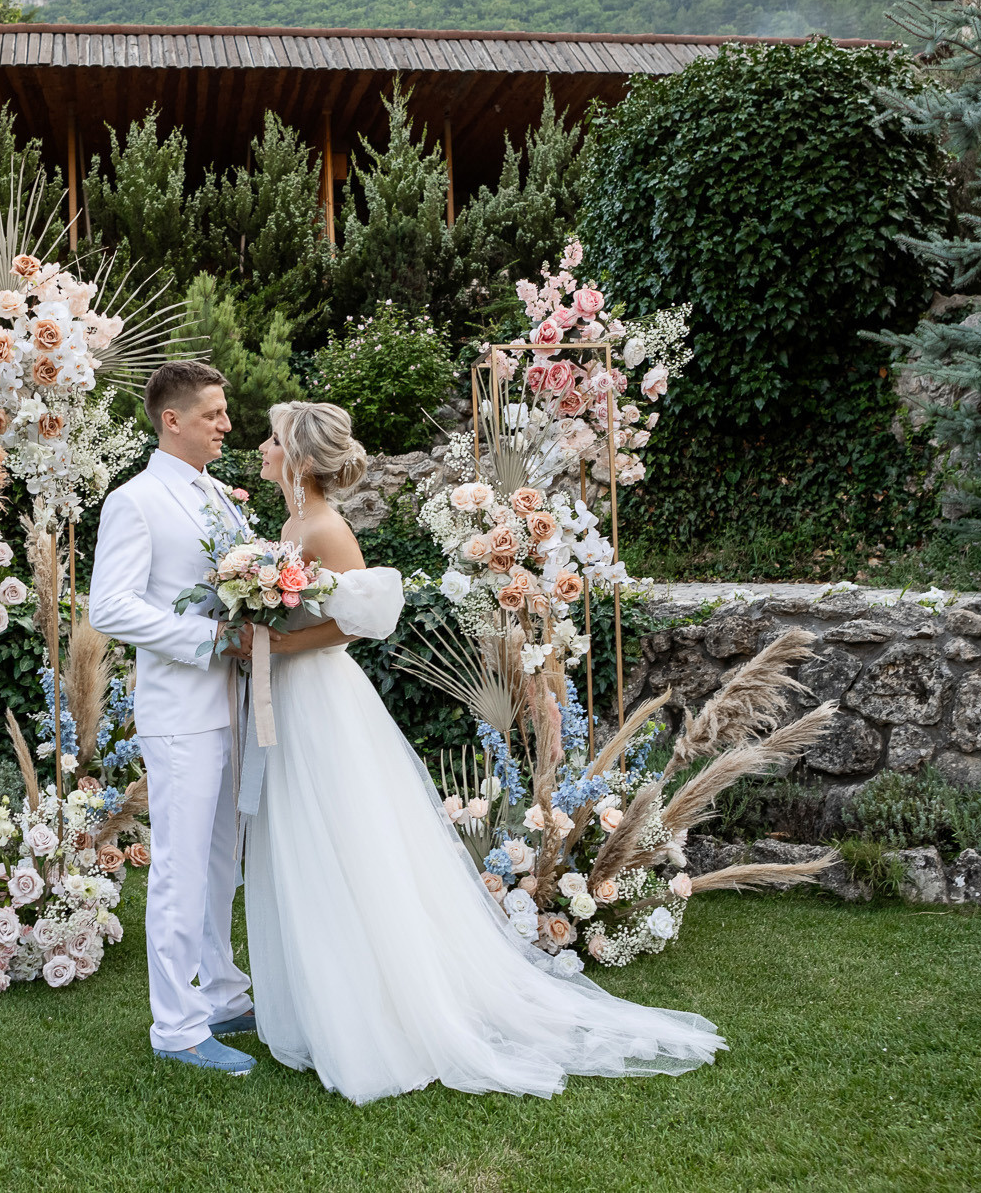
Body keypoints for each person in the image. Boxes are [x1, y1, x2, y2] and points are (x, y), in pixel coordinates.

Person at [241, 400, 726, 1104]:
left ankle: (379, 1011)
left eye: (271, 437)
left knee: (345, 840)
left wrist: (284, 640)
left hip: (322, 697)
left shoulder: (322, 525)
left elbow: (360, 620)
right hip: (293, 694)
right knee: (308, 841)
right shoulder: (291, 523)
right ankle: (325, 998)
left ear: (301, 456)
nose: (261, 446)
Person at [87, 361, 260, 1076]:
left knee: (222, 859)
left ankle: (220, 991)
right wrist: (209, 640)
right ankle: (177, 1024)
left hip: (235, 704)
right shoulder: (135, 501)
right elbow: (111, 606)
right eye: (215, 413)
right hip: (182, 709)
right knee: (181, 866)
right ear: (173, 420)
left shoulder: (222, 496)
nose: (226, 424)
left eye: (224, 413)